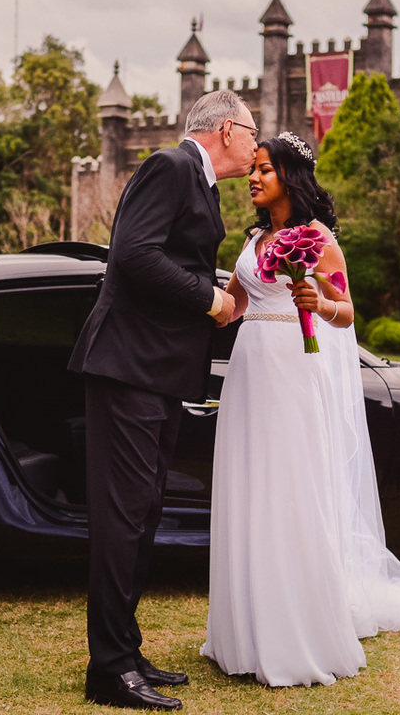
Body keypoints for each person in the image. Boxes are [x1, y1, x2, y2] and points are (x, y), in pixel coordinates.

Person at [200, 132, 400, 687]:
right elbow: (235, 303)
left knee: (292, 490)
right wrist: (201, 302)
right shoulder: (255, 238)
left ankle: (296, 634)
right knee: (249, 488)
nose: (254, 179)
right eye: (254, 169)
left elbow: (347, 311)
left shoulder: (318, 239)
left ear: (291, 177)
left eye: (264, 170)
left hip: (293, 370)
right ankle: (242, 630)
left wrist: (318, 300)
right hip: (249, 372)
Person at [68, 89, 258, 710]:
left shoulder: (200, 186)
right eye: (252, 133)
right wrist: (210, 299)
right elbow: (134, 256)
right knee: (123, 518)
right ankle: (109, 670)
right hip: (128, 370)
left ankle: (126, 649)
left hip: (159, 375)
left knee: (143, 513)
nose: (256, 146)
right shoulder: (170, 166)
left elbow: (166, 260)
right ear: (227, 129)